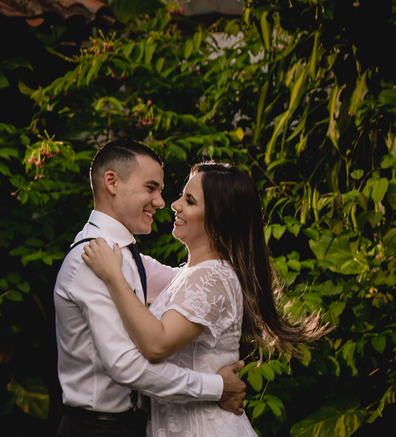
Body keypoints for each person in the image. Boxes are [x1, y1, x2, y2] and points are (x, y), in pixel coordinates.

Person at [81, 161, 325, 436]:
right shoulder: (192, 274)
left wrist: (113, 277)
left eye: (190, 201)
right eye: (182, 196)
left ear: (218, 223)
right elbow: (130, 260)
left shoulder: (211, 278)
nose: (175, 205)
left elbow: (157, 345)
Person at [54, 140, 247, 437]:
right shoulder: (93, 259)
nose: (162, 202)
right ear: (112, 182)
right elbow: (126, 366)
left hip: (131, 425)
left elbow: (194, 284)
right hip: (97, 428)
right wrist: (217, 387)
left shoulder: (125, 257)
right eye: (150, 188)